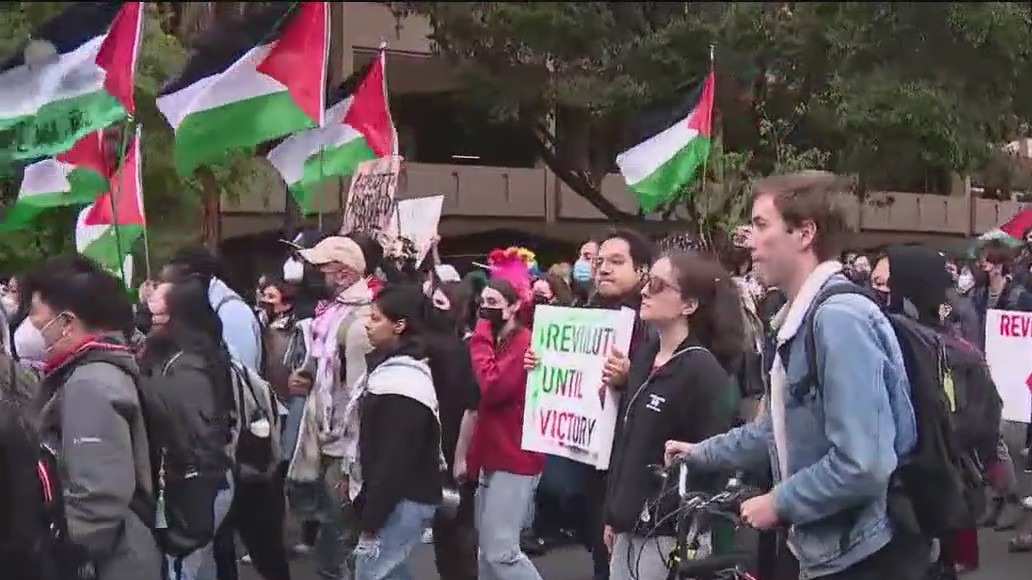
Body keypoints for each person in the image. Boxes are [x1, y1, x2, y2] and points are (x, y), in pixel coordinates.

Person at [666, 171, 928, 580]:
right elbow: (777, 430)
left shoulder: (839, 320)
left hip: (860, 557)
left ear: (805, 233)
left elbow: (863, 463)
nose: (748, 239)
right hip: (822, 550)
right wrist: (700, 452)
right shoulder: (796, 319)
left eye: (760, 224)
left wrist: (780, 502)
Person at [597, 252, 744, 580]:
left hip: (667, 533)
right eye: (648, 281)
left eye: (659, 285)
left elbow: (714, 461)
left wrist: (689, 535)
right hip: (628, 524)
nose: (646, 291)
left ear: (688, 305)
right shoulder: (645, 356)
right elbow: (627, 442)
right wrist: (614, 514)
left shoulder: (704, 372)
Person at [29, 255, 162, 580]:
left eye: (36, 318)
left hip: (111, 563)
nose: (32, 329)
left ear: (66, 323)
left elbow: (98, 497)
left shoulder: (90, 384)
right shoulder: (96, 370)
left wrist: (58, 554)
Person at [286, 236, 374, 580]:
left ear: (342, 273)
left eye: (321, 269)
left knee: (341, 540)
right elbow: (322, 372)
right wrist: (304, 378)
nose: (313, 276)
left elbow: (359, 399)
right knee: (330, 532)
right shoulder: (332, 313)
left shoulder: (361, 322)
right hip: (321, 439)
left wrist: (354, 463)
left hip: (344, 449)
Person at [139, 277, 236, 580]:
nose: (151, 322)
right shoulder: (178, 357)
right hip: (200, 483)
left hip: (196, 485)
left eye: (159, 316)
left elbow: (195, 438)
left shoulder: (187, 368)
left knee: (182, 569)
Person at [351, 284, 443, 579]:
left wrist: (372, 518)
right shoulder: (393, 368)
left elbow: (394, 458)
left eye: (376, 318)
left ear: (399, 325)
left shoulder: (403, 383)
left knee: (373, 573)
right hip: (397, 498)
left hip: (400, 501)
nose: (367, 324)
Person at [468, 277, 544, 580]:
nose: (485, 310)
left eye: (493, 303)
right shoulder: (500, 341)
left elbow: (493, 387)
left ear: (513, 307)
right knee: (486, 553)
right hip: (492, 454)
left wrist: (480, 336)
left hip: (515, 456)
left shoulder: (521, 341)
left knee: (502, 552)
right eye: (482, 303)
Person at [425, 280, 480, 580]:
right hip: (434, 440)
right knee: (442, 524)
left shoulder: (467, 350)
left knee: (458, 523)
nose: (434, 311)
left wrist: (460, 454)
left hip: (456, 440)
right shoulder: (430, 345)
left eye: (441, 304)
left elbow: (470, 405)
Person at [161, 247, 262, 372]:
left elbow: (243, 374)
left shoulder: (232, 312)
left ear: (194, 278)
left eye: (173, 284)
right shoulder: (202, 309)